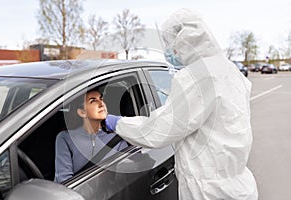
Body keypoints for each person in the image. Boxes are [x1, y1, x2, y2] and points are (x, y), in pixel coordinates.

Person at [105, 8, 258, 200]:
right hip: (238, 186)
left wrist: (117, 123)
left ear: (186, 43)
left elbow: (162, 128)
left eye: (171, 46)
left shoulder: (196, 76)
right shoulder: (229, 70)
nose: (170, 52)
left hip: (209, 192)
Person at [54, 89, 127, 183]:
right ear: (82, 112)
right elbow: (64, 180)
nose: (101, 104)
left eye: (101, 99)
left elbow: (123, 179)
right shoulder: (66, 138)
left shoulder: (117, 139)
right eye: (93, 101)